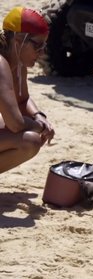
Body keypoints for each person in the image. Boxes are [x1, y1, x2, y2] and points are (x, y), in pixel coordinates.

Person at [0, 6, 55, 173]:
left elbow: (23, 100)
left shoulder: (17, 64)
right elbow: (16, 124)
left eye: (44, 45)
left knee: (31, 132)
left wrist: (39, 116)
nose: (42, 52)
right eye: (37, 45)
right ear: (18, 40)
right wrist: (40, 127)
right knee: (29, 140)